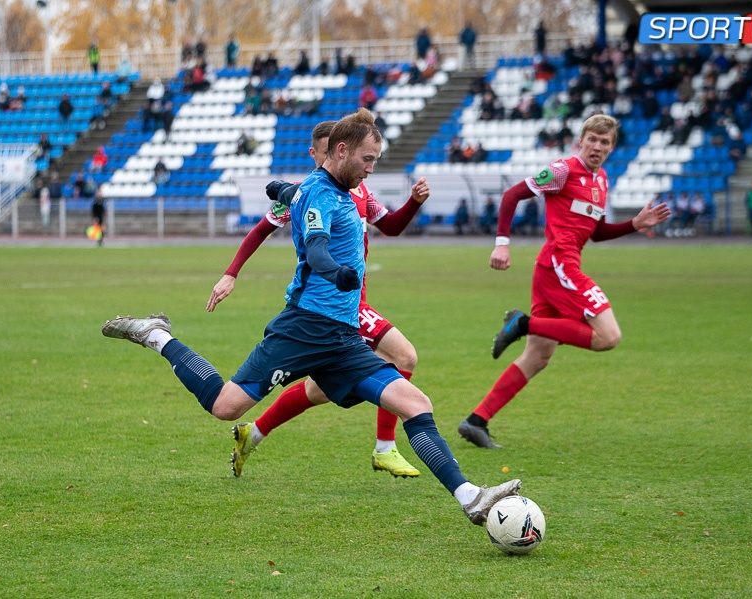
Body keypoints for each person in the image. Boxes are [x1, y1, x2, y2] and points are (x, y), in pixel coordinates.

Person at [102, 108, 522, 526]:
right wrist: (335, 271)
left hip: (342, 338)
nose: (371, 169)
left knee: (415, 402)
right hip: (303, 328)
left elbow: (297, 197)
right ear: (341, 150)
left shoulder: (330, 190)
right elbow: (318, 247)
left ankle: (472, 498)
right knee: (226, 406)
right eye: (367, 160)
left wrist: (281, 189)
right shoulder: (322, 194)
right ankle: (156, 335)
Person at [206, 120, 431, 479]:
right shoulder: (308, 193)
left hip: (348, 302)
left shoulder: (359, 192)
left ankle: (255, 432)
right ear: (321, 154)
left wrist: (414, 202)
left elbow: (391, 227)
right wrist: (231, 272)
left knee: (318, 390)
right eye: (325, 151)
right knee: (404, 355)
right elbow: (262, 229)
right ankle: (385, 448)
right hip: (338, 306)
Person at [457, 114, 671, 449]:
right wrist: (502, 242)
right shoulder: (563, 169)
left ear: (612, 147)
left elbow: (596, 233)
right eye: (592, 140)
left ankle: (476, 421)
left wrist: (635, 223)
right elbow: (512, 194)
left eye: (605, 142)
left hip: (554, 269)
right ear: (581, 140)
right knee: (608, 336)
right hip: (560, 265)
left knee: (539, 356)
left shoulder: (601, 181)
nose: (597, 147)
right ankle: (523, 323)